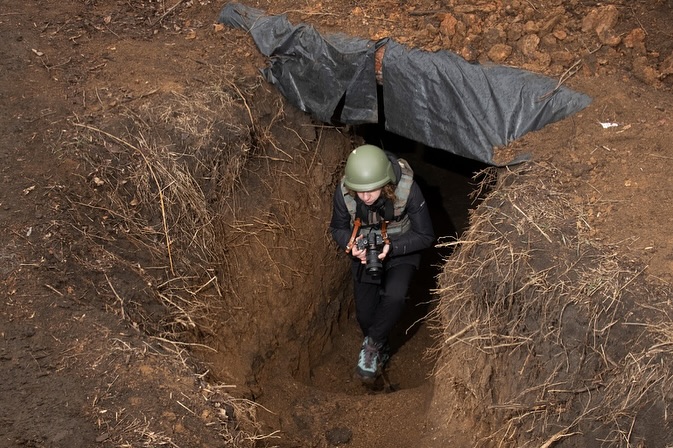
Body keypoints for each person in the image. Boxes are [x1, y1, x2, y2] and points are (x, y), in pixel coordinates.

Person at [329, 144, 435, 381]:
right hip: (367, 250)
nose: (364, 197)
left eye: (371, 190)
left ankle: (373, 346)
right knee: (366, 315)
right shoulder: (346, 192)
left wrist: (393, 247)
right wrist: (352, 246)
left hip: (401, 246)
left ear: (386, 182)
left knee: (395, 295)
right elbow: (337, 227)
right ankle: (379, 342)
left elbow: (425, 235)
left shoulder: (407, 189)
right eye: (359, 191)